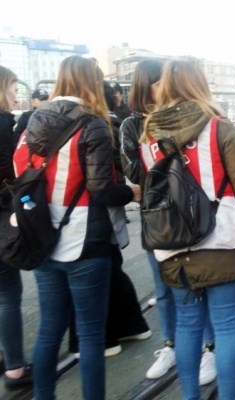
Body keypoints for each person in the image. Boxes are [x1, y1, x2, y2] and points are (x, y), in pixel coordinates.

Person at [140, 58, 235, 400]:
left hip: (173, 244)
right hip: (222, 239)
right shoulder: (219, 127)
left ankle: (189, 397)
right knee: (227, 327)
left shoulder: (148, 135)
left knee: (187, 325)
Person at [13, 55, 139, 399]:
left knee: (49, 330)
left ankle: (43, 396)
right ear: (91, 83)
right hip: (86, 240)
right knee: (91, 334)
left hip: (40, 237)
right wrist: (131, 191)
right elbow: (101, 189)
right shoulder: (93, 124)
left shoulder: (31, 120)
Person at [120, 58, 217, 385]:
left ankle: (211, 348)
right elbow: (134, 172)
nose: (166, 85)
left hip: (190, 212)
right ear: (147, 84)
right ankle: (171, 345)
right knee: (164, 289)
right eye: (160, 80)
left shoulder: (184, 115)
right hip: (157, 216)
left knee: (198, 284)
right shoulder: (132, 126)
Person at [66, 81, 152, 359]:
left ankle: (101, 337)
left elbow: (101, 183)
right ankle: (130, 324)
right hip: (98, 213)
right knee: (110, 268)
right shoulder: (107, 123)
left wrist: (126, 192)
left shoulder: (95, 125)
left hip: (85, 214)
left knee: (93, 275)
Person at [0, 64, 33, 390]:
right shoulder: (2, 127)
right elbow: (9, 177)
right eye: (12, 87)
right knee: (8, 295)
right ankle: (15, 369)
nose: (15, 94)